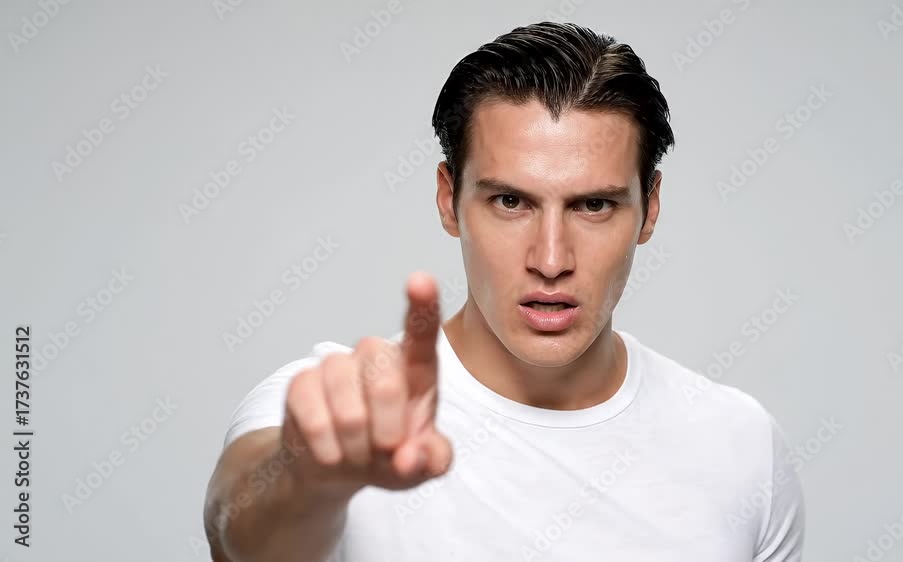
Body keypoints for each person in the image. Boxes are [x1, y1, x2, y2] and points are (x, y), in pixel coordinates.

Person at [202, 21, 805, 562]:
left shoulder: (741, 445)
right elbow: (240, 537)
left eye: (594, 205)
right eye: (511, 201)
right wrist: (311, 481)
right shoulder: (332, 414)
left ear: (650, 209)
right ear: (449, 200)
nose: (551, 261)